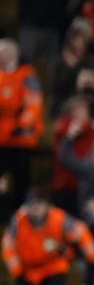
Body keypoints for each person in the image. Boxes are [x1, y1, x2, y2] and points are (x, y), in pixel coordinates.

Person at [0, 38, 43, 220]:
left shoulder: (27, 75)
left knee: (21, 178)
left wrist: (22, 126)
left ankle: (19, 214)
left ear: (13, 53)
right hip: (1, 137)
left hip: (21, 139)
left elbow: (33, 103)